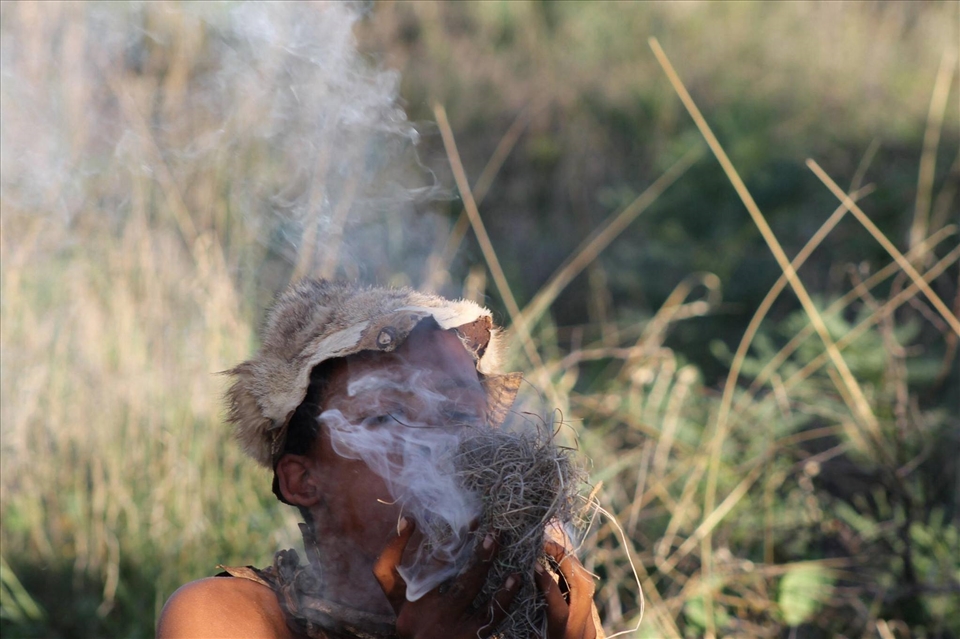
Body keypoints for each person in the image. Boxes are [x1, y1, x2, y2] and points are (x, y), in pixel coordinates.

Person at [157, 279, 602, 639]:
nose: (440, 449)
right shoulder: (230, 619)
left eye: (457, 415)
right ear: (302, 480)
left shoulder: (541, 611)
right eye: (387, 417)